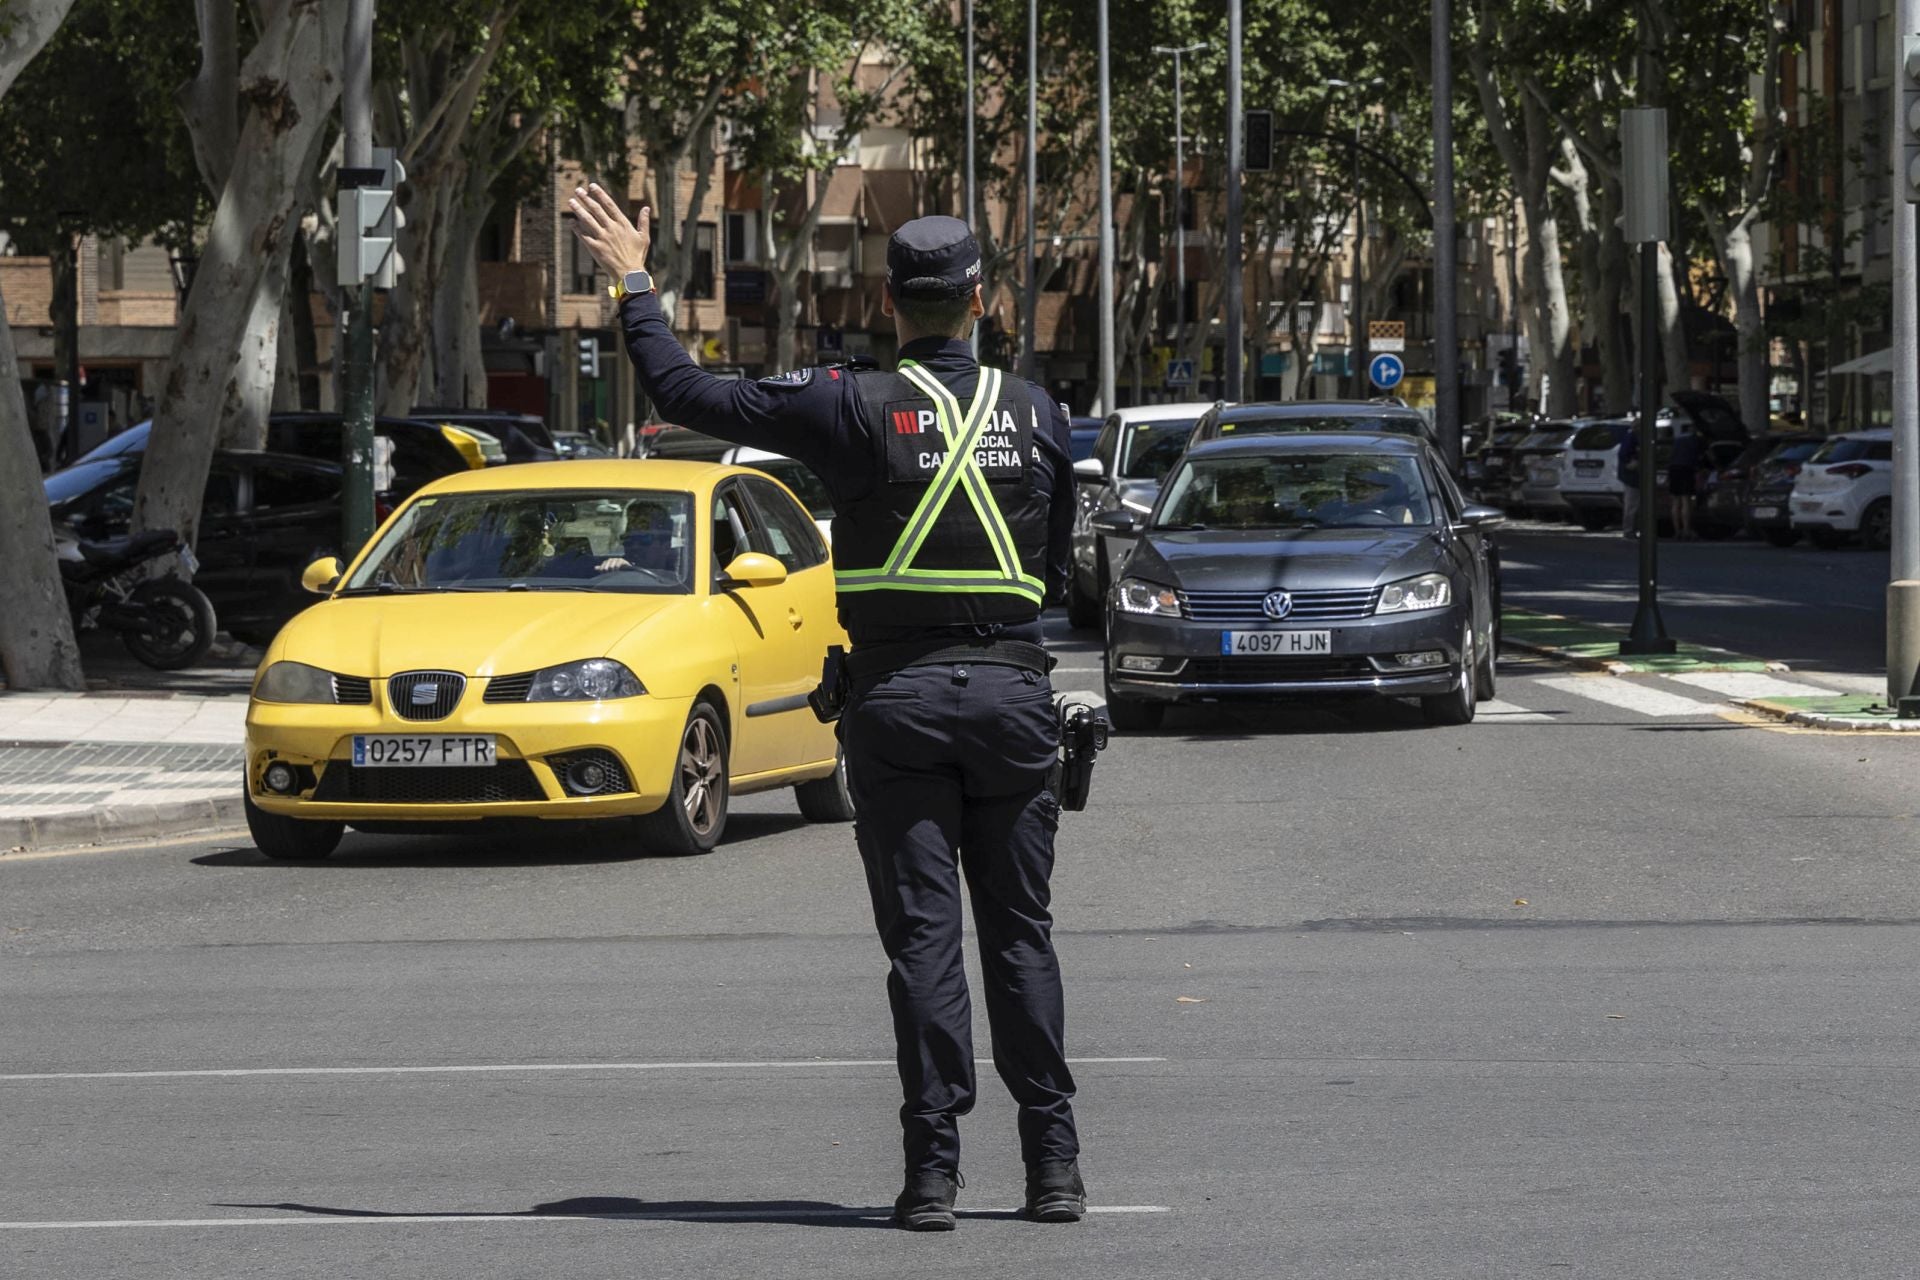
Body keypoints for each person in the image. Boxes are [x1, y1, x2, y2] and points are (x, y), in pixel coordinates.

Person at [566, 186, 1085, 1233]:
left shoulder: (848, 404)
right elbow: (1061, 573)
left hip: (895, 702)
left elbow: (681, 391)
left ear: (891, 304)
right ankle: (1054, 1169)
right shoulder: (1036, 413)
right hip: (1010, 698)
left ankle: (932, 1175)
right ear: (980, 301)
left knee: (925, 941)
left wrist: (635, 278)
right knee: (1020, 935)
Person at [1668, 428, 1703, 540]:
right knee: (1686, 500)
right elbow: (1697, 457)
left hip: (1673, 468)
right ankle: (1686, 530)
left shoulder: (1678, 439)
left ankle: (1677, 531)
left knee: (1675, 501)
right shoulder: (1694, 440)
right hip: (1686, 469)